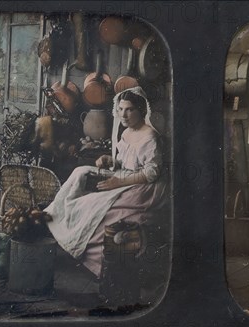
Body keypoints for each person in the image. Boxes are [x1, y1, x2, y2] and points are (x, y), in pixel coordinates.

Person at [44, 86, 167, 277]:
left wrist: (118, 182)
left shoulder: (149, 136)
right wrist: (110, 160)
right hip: (125, 175)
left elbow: (151, 173)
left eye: (129, 110)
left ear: (141, 110)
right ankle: (52, 216)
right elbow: (124, 162)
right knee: (80, 171)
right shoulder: (126, 133)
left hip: (144, 186)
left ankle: (89, 255)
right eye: (120, 109)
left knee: (96, 204)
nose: (123, 115)